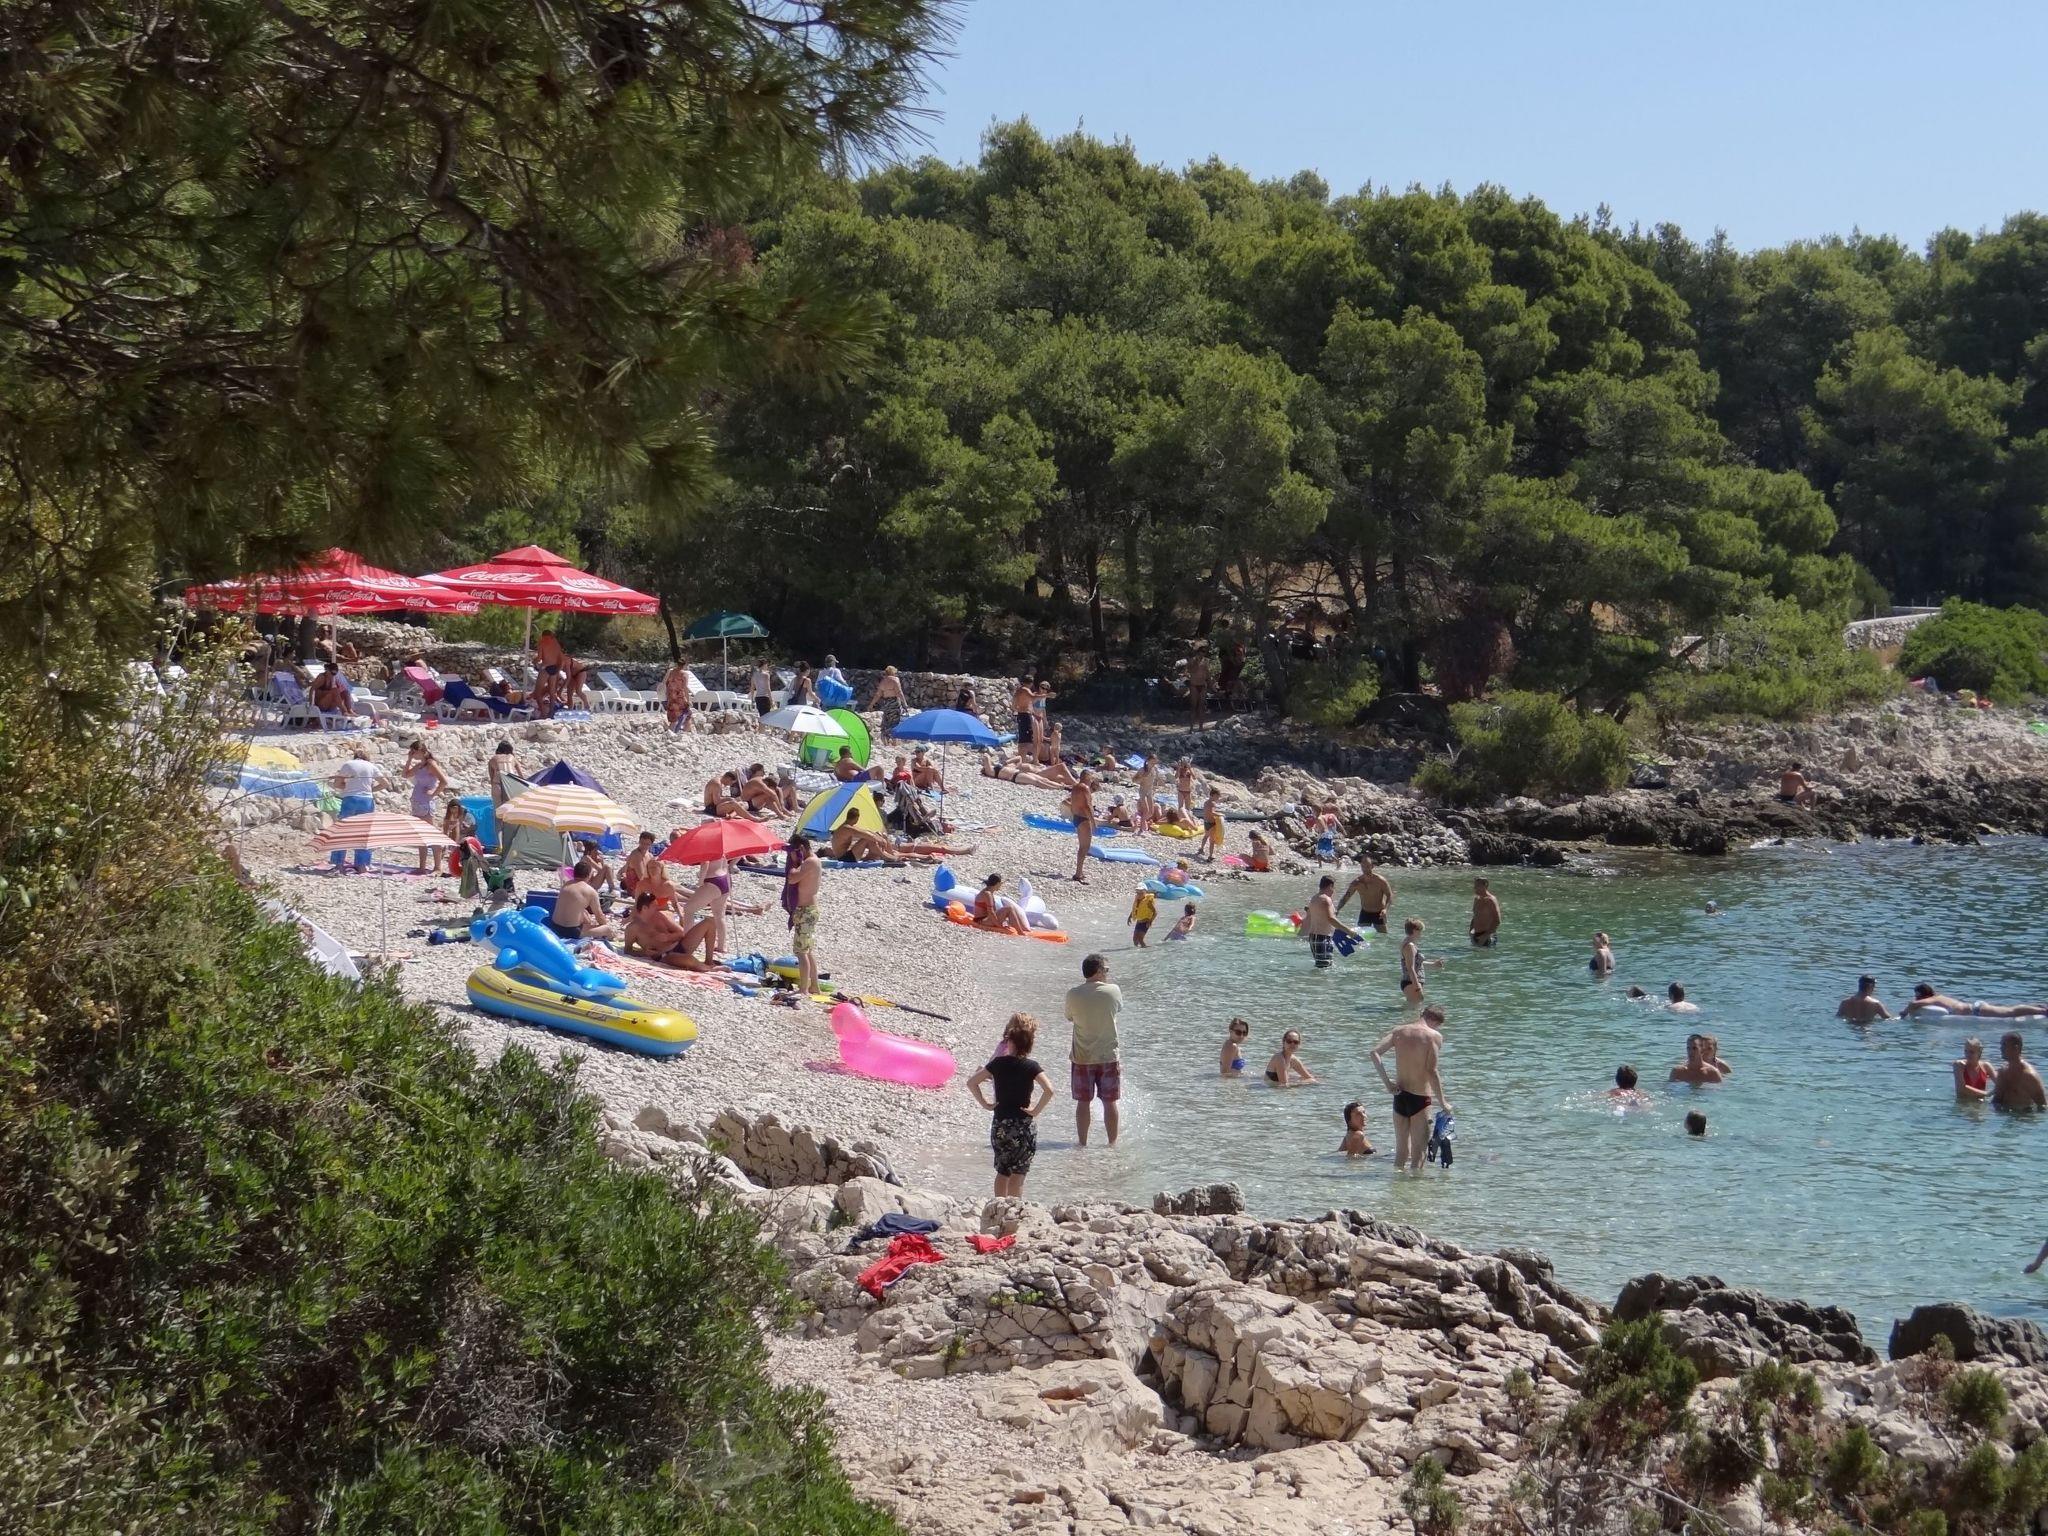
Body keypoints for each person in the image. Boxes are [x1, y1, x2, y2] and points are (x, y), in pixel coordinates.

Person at [966, 1014, 1055, 1197]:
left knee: (1002, 1171)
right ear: (1030, 1044)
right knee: (1018, 1174)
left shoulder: (997, 1063)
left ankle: (999, 1207)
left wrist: (985, 1104)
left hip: (1001, 1124)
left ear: (1010, 1042)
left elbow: (972, 1082)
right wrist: (1035, 1111)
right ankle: (1014, 1209)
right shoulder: (1032, 1066)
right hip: (1023, 1126)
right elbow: (1049, 1090)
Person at [1370, 1005, 1452, 1172]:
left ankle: (1397, 1186)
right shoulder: (1433, 1036)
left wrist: (1388, 1084)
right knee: (1419, 1154)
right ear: (1435, 1021)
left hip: (1400, 1096)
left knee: (1401, 1153)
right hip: (1420, 1099)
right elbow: (1431, 1071)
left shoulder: (1399, 1031)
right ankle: (1415, 1189)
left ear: (1422, 1014)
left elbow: (1374, 1053)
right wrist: (1443, 1102)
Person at [1065, 953, 1122, 1147]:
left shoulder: (1073, 994)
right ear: (1098, 971)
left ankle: (1082, 1143)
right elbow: (1118, 1009)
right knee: (1110, 1102)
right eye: (1106, 970)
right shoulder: (1113, 990)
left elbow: (1069, 1017)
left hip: (1082, 1056)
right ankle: (1112, 1144)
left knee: (1083, 1102)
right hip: (1108, 1055)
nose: (1107, 974)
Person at [622, 891, 717, 969]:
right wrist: (643, 953)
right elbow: (627, 950)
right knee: (689, 960)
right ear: (644, 908)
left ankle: (709, 961)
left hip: (680, 945)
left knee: (709, 922)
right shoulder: (632, 928)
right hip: (664, 955)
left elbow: (681, 933)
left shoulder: (659, 916)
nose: (657, 908)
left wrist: (668, 937)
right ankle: (708, 969)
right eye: (654, 906)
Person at [326, 749, 385, 872]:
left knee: (343, 831)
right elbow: (385, 783)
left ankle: (339, 864)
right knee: (363, 832)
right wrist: (370, 790)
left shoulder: (348, 764)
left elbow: (337, 784)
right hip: (367, 801)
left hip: (350, 799)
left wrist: (348, 786)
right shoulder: (371, 766)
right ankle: (362, 865)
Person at [782, 835, 822, 995]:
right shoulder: (812, 861)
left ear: (802, 848)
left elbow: (792, 878)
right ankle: (814, 986)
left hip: (806, 911)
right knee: (807, 950)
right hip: (807, 910)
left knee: (801, 951)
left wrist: (793, 863)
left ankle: (804, 988)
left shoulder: (810, 862)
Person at [402, 741, 450, 872]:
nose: (413, 754)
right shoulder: (420, 765)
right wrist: (409, 759)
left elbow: (444, 781)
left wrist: (434, 793)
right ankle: (422, 866)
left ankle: (437, 866)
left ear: (422, 751)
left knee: (430, 833)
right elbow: (405, 775)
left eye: (414, 752)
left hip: (425, 803)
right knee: (420, 834)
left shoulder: (430, 764)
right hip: (417, 802)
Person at [1302, 875, 1360, 971]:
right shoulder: (1326, 899)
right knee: (1324, 970)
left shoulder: (1314, 898)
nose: (1333, 891)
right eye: (1333, 888)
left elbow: (1320, 918)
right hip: (1322, 938)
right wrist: (1349, 932)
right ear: (1330, 886)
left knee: (1321, 968)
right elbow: (1331, 919)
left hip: (1314, 938)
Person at [549, 865, 618, 944]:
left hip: (554, 926)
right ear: (589, 875)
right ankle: (609, 938)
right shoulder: (590, 891)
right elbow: (599, 916)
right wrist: (603, 927)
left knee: (584, 912)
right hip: (570, 931)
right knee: (607, 929)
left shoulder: (566, 885)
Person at [1905, 983, 2048, 1018]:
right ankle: (2039, 1007)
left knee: (2010, 1012)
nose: (1916, 998)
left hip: (1976, 1011)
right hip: (1975, 1008)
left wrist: (1904, 1013)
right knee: (2009, 1010)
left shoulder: (1931, 1000)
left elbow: (1913, 1004)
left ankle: (2042, 1011)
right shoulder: (1938, 997)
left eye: (1917, 996)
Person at [1993, 1031, 2046, 1112]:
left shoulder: (2029, 1076)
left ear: (2016, 1048)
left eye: (2004, 1045)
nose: (2001, 1048)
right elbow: (1996, 1100)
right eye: (2001, 1045)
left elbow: (2043, 1106)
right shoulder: (2002, 1072)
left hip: (2024, 1116)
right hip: (2004, 1116)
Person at [1339, 855, 1392, 933]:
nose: (1365, 868)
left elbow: (1389, 895)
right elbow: (1346, 897)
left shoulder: (1381, 881)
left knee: (1383, 937)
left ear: (1372, 866)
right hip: (1365, 912)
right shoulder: (1357, 883)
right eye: (1363, 866)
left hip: (1379, 913)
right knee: (1361, 937)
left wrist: (1385, 909)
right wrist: (1337, 909)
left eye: (1367, 866)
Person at [1400, 918, 1443, 1001]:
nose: (1421, 934)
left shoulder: (1410, 944)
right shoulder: (1409, 946)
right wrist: (1417, 988)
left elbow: (1417, 964)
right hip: (1411, 983)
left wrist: (1434, 965)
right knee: (1416, 1007)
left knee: (1415, 1007)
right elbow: (1411, 968)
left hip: (1412, 982)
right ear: (1415, 931)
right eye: (1420, 931)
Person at [1064, 772, 1096, 884]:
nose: (1091, 780)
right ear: (1087, 777)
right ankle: (1078, 873)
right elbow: (1087, 806)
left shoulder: (1075, 787)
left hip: (1077, 818)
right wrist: (1093, 821)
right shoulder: (1085, 788)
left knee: (1082, 846)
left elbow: (1070, 802)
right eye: (1091, 778)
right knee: (1085, 847)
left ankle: (1079, 871)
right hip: (1084, 819)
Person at [866, 666, 907, 731]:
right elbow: (899, 692)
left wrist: (871, 705)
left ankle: (887, 736)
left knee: (887, 722)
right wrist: (905, 703)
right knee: (895, 722)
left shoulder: (883, 681)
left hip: (886, 703)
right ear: (893, 672)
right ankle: (894, 736)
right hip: (894, 702)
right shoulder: (895, 680)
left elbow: (877, 695)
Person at [1955, 1037, 1995, 1103]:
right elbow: (1962, 1088)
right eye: (1966, 1051)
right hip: (1963, 1105)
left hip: (1980, 1104)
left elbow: (2000, 1083)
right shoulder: (1959, 1065)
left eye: (1971, 1052)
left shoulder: (1986, 1066)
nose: (1968, 1054)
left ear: (1979, 1052)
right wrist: (1987, 1093)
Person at [1011, 678, 1038, 761]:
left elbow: (1013, 704)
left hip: (1022, 714)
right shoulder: (1025, 689)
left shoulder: (1019, 690)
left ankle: (1022, 758)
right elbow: (1032, 697)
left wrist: (1017, 709)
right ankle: (1025, 759)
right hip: (1025, 715)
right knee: (1027, 739)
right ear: (1030, 683)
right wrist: (1046, 695)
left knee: (1023, 738)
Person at [488, 739, 521, 807]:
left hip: (497, 784)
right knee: (510, 808)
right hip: (510, 784)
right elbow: (521, 776)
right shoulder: (512, 758)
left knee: (498, 809)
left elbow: (491, 778)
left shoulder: (493, 759)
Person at [662, 660, 694, 730]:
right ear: (685, 665)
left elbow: (665, 684)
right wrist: (688, 700)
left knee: (673, 716)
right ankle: (686, 731)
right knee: (688, 714)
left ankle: (671, 731)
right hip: (679, 697)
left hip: (671, 697)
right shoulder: (684, 674)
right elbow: (685, 688)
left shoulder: (670, 672)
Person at [1469, 877, 1501, 947]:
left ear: (1485, 886)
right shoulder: (1476, 899)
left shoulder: (1491, 900)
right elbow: (1475, 916)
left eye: (1477, 886)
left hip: (1487, 936)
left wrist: (1485, 936)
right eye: (1475, 885)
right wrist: (1470, 931)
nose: (1474, 888)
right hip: (1475, 935)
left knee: (1485, 954)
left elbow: (1497, 921)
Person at [1197, 787, 1226, 863]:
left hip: (1206, 822)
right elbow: (1212, 813)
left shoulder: (1206, 802)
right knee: (1212, 841)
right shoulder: (1212, 803)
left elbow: (1207, 812)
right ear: (1212, 795)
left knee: (1206, 836)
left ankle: (1201, 849)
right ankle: (1210, 856)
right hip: (1211, 823)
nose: (1218, 798)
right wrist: (1220, 815)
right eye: (1217, 796)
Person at [1187, 647, 1211, 731]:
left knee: (1201, 706)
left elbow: (1208, 673)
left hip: (1203, 685)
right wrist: (1196, 663)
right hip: (1194, 685)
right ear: (1198, 652)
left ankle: (1201, 727)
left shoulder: (1206, 661)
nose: (1202, 653)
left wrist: (1211, 684)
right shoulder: (1192, 660)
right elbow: (1191, 670)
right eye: (1201, 652)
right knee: (1193, 706)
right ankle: (1191, 728)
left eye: (1204, 652)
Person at [1135, 756, 1160, 832]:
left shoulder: (1154, 770)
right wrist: (1142, 778)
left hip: (1150, 791)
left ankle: (1142, 824)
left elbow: (1156, 780)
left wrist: (1156, 786)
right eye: (1152, 762)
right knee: (1146, 811)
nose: (1153, 764)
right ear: (1148, 761)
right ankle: (1142, 829)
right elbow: (1134, 780)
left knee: (1151, 812)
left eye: (1154, 763)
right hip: (1143, 791)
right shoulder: (1142, 770)